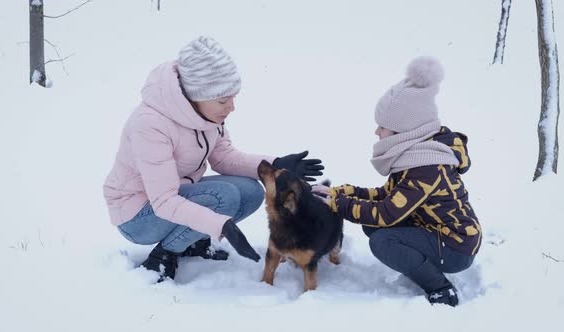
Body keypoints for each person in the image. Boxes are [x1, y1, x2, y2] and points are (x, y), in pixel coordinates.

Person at [103, 36, 324, 282]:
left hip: (175, 196)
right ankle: (165, 253)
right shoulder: (150, 124)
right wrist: (220, 225)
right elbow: (164, 201)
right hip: (138, 216)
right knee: (225, 197)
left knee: (250, 191)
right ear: (197, 95)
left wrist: (276, 165)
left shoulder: (205, 115)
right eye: (223, 100)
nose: (231, 107)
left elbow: (224, 158)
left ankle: (191, 241)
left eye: (233, 97)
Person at [312, 57, 482, 306]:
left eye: (383, 126)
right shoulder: (417, 154)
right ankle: (419, 264)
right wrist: (343, 192)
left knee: (382, 239)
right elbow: (388, 196)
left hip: (455, 247)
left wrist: (339, 203)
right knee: (373, 227)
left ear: (405, 131)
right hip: (435, 231)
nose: (377, 132)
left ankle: (440, 289)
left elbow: (387, 212)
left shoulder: (426, 167)